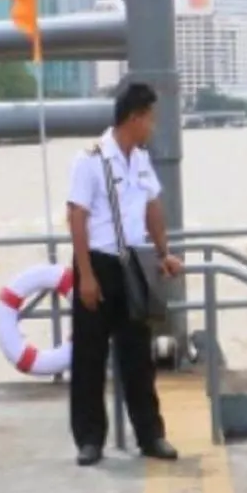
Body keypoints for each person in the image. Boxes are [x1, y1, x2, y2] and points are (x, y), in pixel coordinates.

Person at [67, 83, 182, 467]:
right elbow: (76, 217)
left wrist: (163, 253)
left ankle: (151, 435)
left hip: (132, 264)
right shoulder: (91, 160)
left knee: (138, 356)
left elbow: (152, 207)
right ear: (134, 118)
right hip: (98, 263)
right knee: (90, 356)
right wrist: (85, 275)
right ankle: (89, 439)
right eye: (150, 118)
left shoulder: (141, 160)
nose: (153, 126)